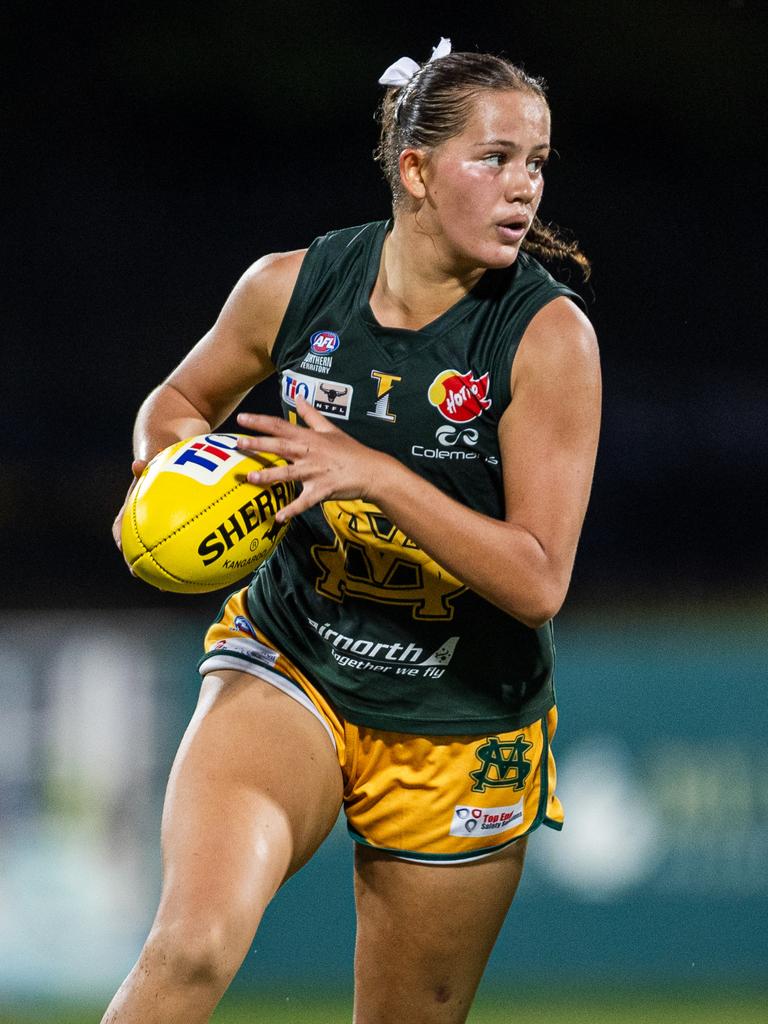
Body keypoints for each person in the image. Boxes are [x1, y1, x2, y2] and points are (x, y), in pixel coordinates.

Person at [103, 38, 601, 1024]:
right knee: (193, 944)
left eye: (536, 162)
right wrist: (174, 472)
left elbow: (540, 579)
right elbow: (178, 400)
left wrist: (375, 475)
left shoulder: (547, 340)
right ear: (415, 170)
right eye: (494, 158)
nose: (524, 189)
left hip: (461, 717)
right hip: (294, 662)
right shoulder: (292, 288)